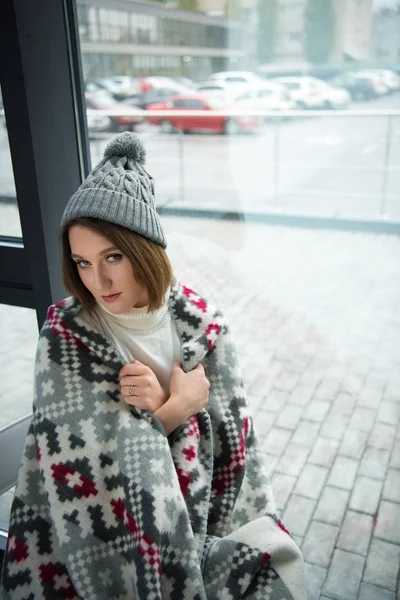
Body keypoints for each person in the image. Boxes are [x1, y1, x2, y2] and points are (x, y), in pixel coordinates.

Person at [1, 132, 306, 599]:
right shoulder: (66, 333)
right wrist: (173, 410)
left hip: (201, 510)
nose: (97, 280)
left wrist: (172, 414)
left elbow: (236, 449)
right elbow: (78, 478)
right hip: (94, 537)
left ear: (144, 249)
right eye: (82, 262)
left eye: (113, 257)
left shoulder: (202, 323)